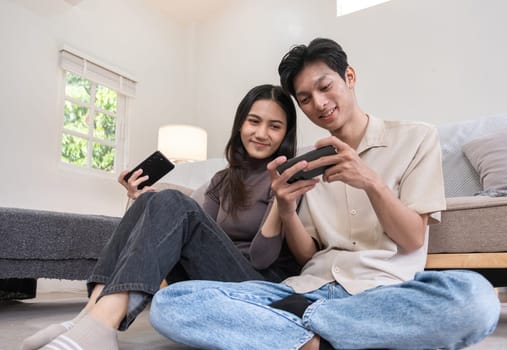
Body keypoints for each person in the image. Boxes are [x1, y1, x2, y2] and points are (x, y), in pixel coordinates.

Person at [149, 38, 501, 349]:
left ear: (349, 77)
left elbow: (411, 240)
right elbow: (307, 255)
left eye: (325, 87)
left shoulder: (415, 138)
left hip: (381, 293)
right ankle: (327, 338)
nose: (318, 103)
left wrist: (370, 181)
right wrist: (285, 208)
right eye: (304, 99)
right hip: (303, 288)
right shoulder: (305, 162)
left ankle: (298, 332)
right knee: (171, 303)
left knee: (476, 299)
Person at [21, 84, 302, 350]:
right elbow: (197, 233)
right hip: (215, 273)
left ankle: (100, 326)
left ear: (285, 134)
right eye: (254, 121)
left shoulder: (288, 179)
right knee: (152, 199)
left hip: (258, 282)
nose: (261, 133)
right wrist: (148, 205)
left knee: (170, 201)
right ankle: (87, 319)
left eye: (274, 126)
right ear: (240, 124)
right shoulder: (221, 180)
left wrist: (280, 198)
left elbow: (262, 258)